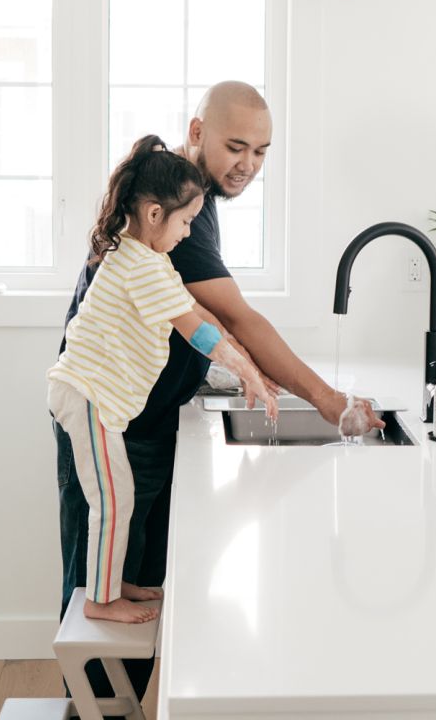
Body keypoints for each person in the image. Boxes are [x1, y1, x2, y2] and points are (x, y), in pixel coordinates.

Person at [55, 83, 383, 695]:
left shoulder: (186, 200)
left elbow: (186, 320)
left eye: (262, 151)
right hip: (110, 416)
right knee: (101, 589)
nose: (249, 165)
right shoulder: (180, 209)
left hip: (141, 416)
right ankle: (93, 709)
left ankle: (111, 705)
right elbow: (232, 323)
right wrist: (328, 401)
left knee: (140, 589)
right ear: (198, 131)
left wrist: (234, 373)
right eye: (236, 146)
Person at [47, 135, 278, 624]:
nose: (190, 232)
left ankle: (114, 583)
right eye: (187, 222)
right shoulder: (142, 267)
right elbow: (198, 332)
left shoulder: (148, 260)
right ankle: (100, 599)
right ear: (154, 215)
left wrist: (250, 369)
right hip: (86, 396)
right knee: (112, 501)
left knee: (119, 498)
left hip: (97, 398)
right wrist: (247, 372)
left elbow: (196, 311)